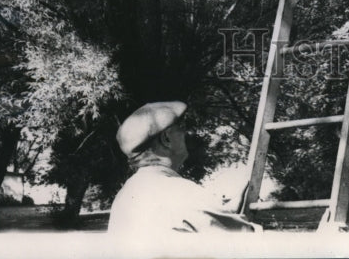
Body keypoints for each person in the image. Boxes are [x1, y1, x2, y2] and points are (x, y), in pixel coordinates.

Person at [107, 101, 259, 242]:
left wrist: (226, 213)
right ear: (166, 138)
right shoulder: (182, 193)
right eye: (181, 125)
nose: (186, 132)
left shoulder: (125, 195)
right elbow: (245, 242)